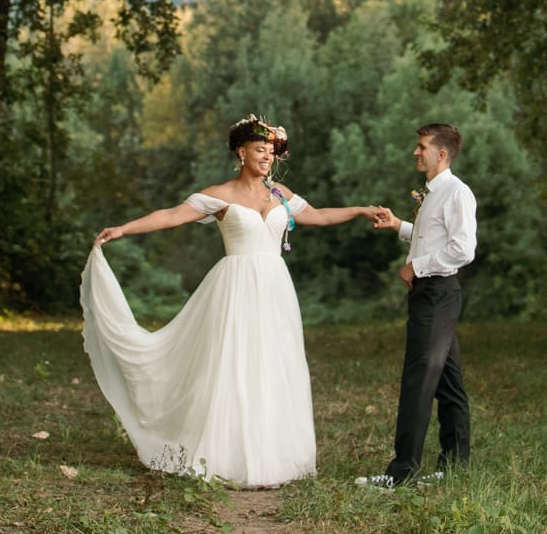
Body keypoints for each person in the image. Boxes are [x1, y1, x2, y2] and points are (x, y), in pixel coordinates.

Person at [81, 114, 385, 487]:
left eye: (271, 152)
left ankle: (274, 457)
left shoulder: (280, 195)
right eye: (260, 150)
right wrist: (124, 228)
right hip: (235, 287)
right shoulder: (220, 195)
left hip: (275, 288)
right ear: (241, 152)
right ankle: (225, 454)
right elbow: (173, 215)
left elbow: (318, 216)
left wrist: (360, 210)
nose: (267, 158)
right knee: (234, 364)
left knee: (274, 364)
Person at [360, 122, 477, 488]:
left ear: (441, 154)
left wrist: (417, 266)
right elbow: (432, 239)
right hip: (431, 293)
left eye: (422, 146)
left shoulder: (457, 193)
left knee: (418, 380)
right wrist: (399, 226)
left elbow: (462, 250)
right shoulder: (434, 193)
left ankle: (402, 472)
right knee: (449, 382)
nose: (416, 152)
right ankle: (455, 466)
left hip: (437, 292)